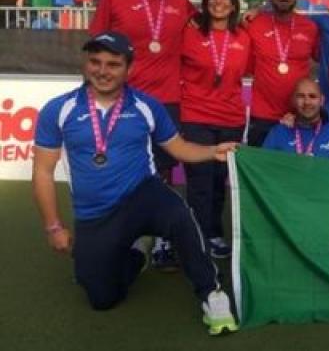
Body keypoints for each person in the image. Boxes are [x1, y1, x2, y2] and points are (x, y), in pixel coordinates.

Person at [31, 31, 238, 335]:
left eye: (113, 64)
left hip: (143, 194)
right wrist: (53, 226)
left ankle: (212, 294)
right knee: (101, 298)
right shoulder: (58, 109)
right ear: (85, 64)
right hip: (96, 212)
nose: (102, 71)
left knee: (181, 215)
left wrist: (211, 151)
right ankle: (139, 252)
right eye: (95, 62)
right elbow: (43, 173)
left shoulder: (146, 105)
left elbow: (178, 148)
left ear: (129, 69)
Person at [89, 0, 196, 269]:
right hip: (123, 102)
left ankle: (163, 242)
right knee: (119, 172)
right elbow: (95, 50)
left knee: (163, 174)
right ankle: (113, 241)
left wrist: (247, 19)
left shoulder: (181, 3)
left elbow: (212, 27)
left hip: (166, 103)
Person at [180, 0, 251, 259]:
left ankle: (214, 233)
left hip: (231, 118)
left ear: (233, 5)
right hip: (196, 115)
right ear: (206, 1)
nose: (219, 2)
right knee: (199, 180)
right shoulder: (189, 33)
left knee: (220, 180)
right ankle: (196, 234)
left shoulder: (244, 36)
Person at [244, 0, 319, 146]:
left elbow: (320, 58)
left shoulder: (310, 27)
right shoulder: (253, 24)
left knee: (296, 171)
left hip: (299, 113)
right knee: (260, 170)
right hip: (262, 115)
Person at [263, 78, 329, 159]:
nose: (307, 102)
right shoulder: (278, 132)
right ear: (293, 100)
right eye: (301, 96)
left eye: (312, 96)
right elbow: (263, 167)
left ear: (322, 101)